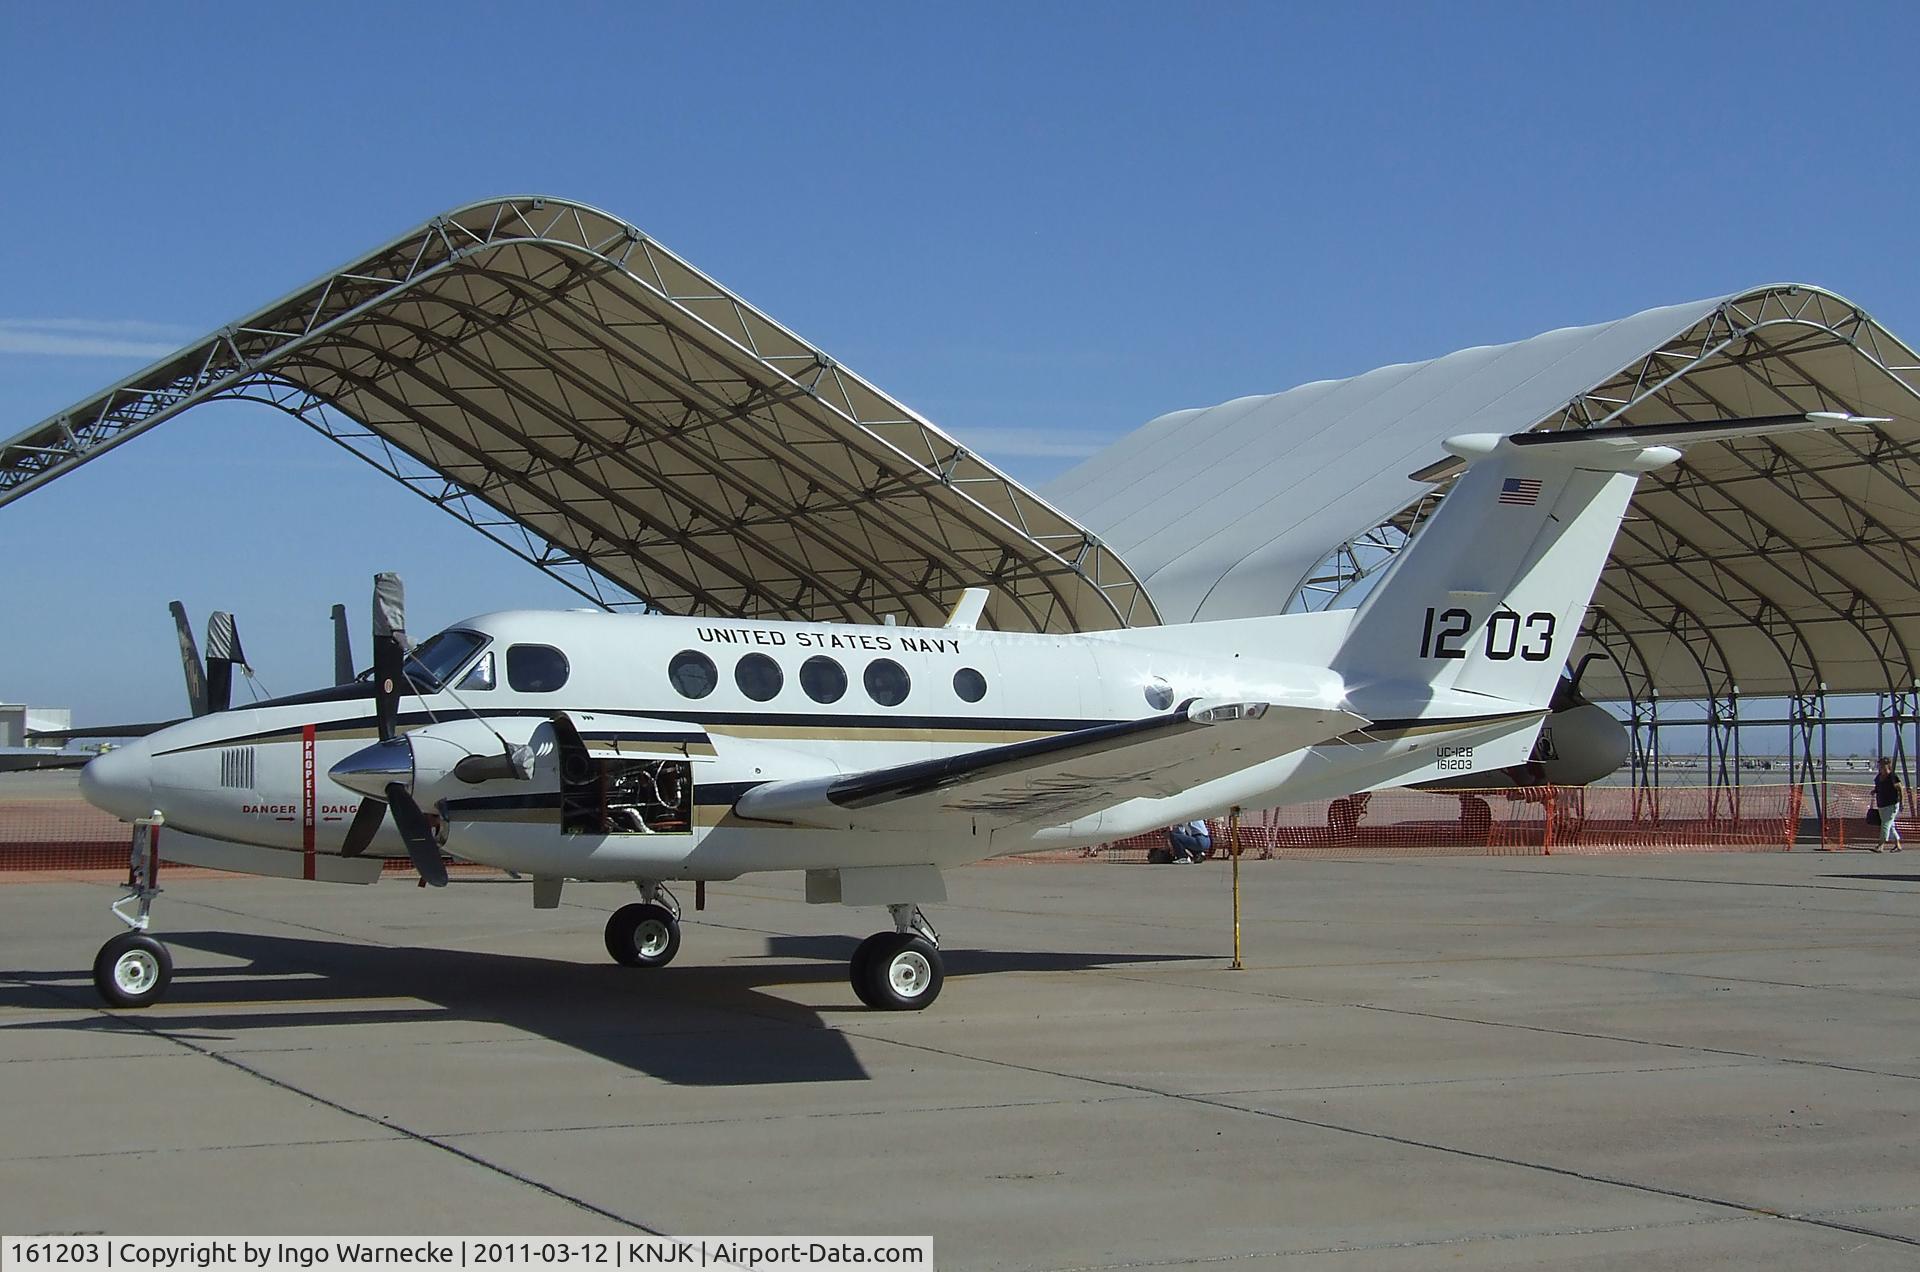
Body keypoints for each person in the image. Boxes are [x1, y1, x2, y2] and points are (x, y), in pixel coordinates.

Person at [1871, 757, 1903, 852]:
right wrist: (1874, 791)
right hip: (1881, 804)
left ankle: (1880, 845)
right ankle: (1898, 845)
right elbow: (1878, 787)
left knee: (1885, 824)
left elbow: (1900, 789)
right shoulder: (1878, 777)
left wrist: (1902, 802)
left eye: (1882, 765)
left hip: (1892, 804)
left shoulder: (1892, 777)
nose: (1880, 767)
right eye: (1879, 765)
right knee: (1890, 825)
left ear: (1887, 765)